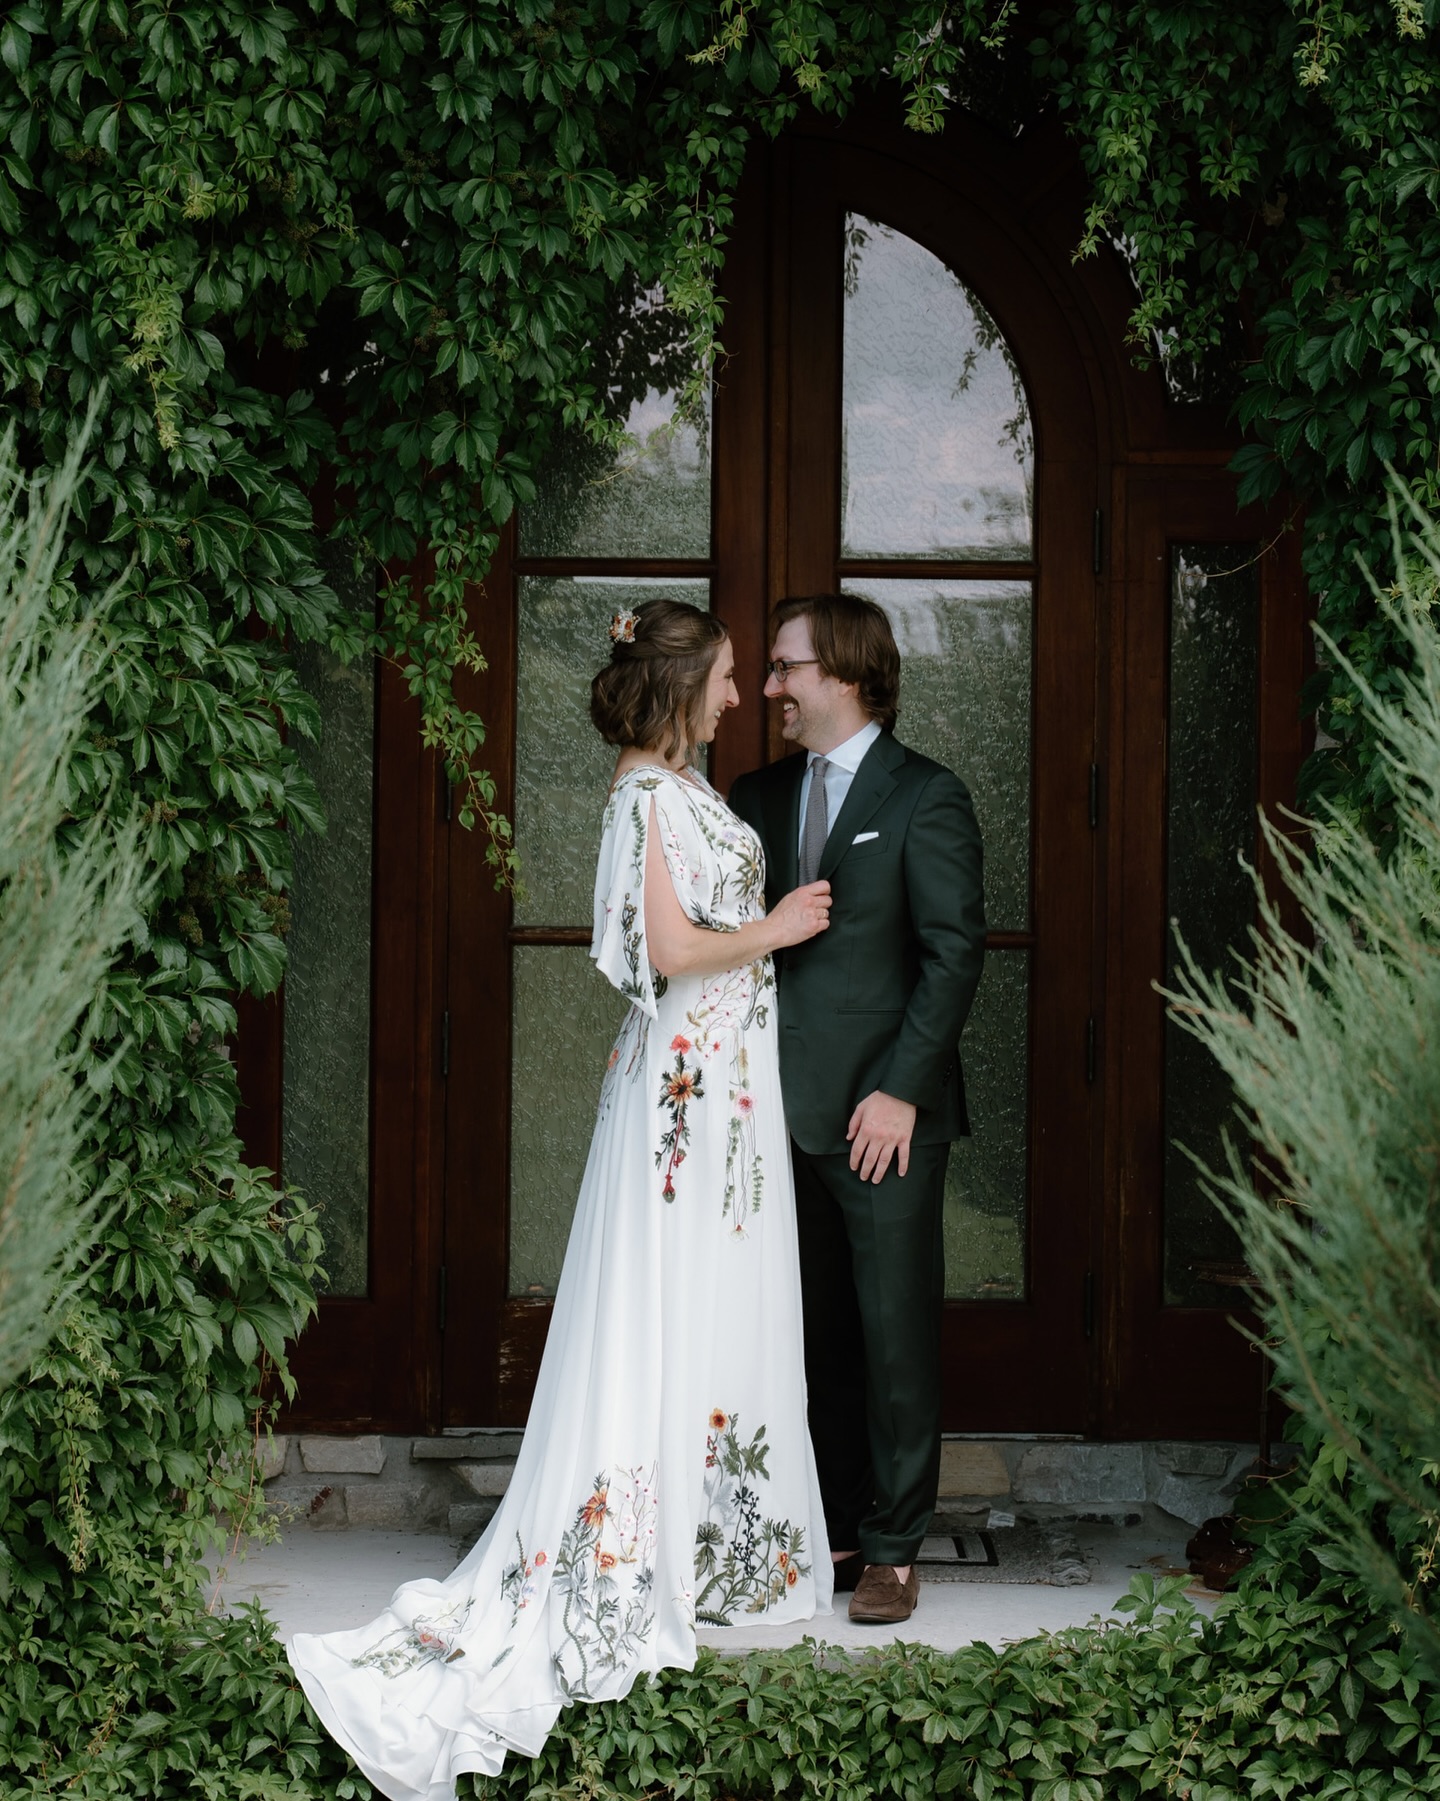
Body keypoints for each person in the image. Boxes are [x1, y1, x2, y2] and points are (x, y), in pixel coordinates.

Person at [288, 599, 835, 1801]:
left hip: (714, 1098)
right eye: (730, 678)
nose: (742, 696)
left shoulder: (679, 792)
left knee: (726, 1312)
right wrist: (779, 925)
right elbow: (671, 948)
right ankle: (638, 1557)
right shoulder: (641, 797)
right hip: (691, 1107)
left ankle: (719, 1546)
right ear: (683, 687)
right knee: (673, 1311)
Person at [729, 593, 985, 1628]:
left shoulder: (927, 795)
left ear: (844, 672)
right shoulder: (753, 792)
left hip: (885, 1117)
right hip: (769, 1118)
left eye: (787, 668)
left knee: (891, 1334)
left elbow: (953, 953)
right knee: (812, 1334)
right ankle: (829, 1527)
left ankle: (894, 1549)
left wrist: (899, 1091)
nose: (774, 689)